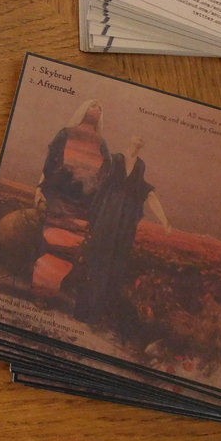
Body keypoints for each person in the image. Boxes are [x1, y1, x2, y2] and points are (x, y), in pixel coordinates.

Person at [72, 136, 171, 324]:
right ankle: (83, 310)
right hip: (107, 218)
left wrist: (164, 220)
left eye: (143, 137)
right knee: (96, 261)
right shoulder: (115, 160)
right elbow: (97, 183)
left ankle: (97, 314)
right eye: (137, 136)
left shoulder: (140, 166)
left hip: (124, 225)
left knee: (114, 266)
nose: (140, 139)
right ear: (131, 139)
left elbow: (149, 195)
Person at [28, 99, 112, 298]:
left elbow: (105, 174)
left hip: (82, 205)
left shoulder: (102, 144)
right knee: (51, 240)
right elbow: (50, 164)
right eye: (93, 105)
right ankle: (39, 289)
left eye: (100, 108)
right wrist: (41, 189)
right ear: (83, 109)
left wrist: (92, 191)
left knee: (69, 247)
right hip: (59, 198)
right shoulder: (65, 133)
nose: (96, 109)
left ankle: (50, 291)